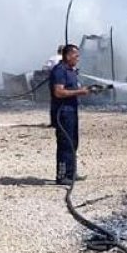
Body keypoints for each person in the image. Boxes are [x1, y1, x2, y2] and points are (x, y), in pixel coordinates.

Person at [50, 44, 91, 184]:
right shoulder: (59, 71)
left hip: (72, 111)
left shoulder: (71, 71)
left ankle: (71, 173)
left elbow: (72, 88)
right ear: (68, 56)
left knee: (73, 143)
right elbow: (58, 92)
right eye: (76, 56)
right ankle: (62, 176)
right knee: (65, 144)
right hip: (63, 113)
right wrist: (80, 92)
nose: (78, 59)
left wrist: (86, 90)